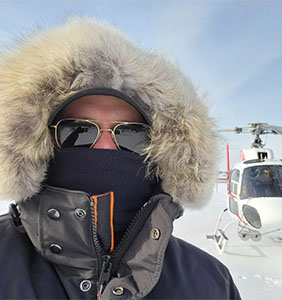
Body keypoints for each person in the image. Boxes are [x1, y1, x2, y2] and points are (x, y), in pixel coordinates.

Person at [0, 17, 241, 299]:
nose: (104, 148)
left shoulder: (211, 282)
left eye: (131, 135)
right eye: (77, 131)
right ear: (36, 143)